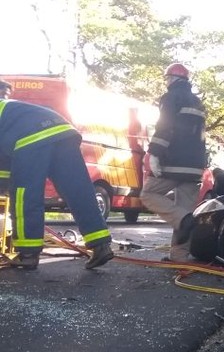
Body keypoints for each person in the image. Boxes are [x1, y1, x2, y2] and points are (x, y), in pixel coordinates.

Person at [0, 98, 114, 270]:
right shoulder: (10, 108)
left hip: (31, 136)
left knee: (25, 195)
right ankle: (101, 245)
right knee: (78, 189)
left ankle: (28, 254)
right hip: (62, 130)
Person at [140, 63, 207, 263]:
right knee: (184, 208)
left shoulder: (171, 97)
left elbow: (165, 125)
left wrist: (154, 153)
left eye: (167, 78)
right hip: (195, 166)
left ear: (172, 79)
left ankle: (185, 220)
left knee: (148, 194)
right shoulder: (198, 102)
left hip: (173, 163)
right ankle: (179, 258)